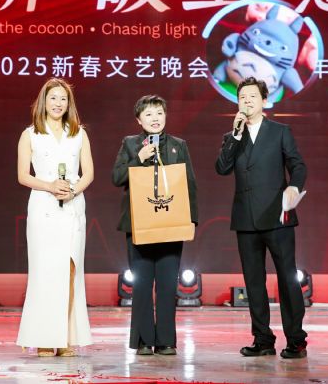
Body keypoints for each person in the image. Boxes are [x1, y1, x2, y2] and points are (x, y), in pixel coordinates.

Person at [215, 77, 309, 360]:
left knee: (287, 279)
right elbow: (222, 168)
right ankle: (263, 339)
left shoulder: (280, 131)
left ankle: (296, 340)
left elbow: (298, 165)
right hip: (246, 218)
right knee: (254, 282)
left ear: (264, 100)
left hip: (277, 216)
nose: (246, 101)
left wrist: (294, 187)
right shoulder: (233, 136)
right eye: (242, 97)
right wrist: (234, 136)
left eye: (252, 97)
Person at [112, 95, 198, 356]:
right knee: (141, 285)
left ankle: (166, 341)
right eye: (148, 114)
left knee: (167, 285)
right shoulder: (130, 144)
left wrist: (191, 219)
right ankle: (142, 340)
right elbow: (117, 177)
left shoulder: (178, 145)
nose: (155, 118)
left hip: (171, 224)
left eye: (159, 113)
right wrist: (138, 158)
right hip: (139, 225)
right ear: (139, 120)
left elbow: (189, 184)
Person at [16, 78, 94, 356]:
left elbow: (88, 173)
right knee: (45, 272)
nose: (58, 103)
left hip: (72, 208)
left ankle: (65, 339)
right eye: (53, 98)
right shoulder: (30, 134)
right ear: (43, 102)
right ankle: (45, 339)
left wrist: (73, 190)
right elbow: (23, 176)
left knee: (70, 272)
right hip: (44, 209)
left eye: (63, 99)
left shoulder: (79, 134)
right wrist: (49, 186)